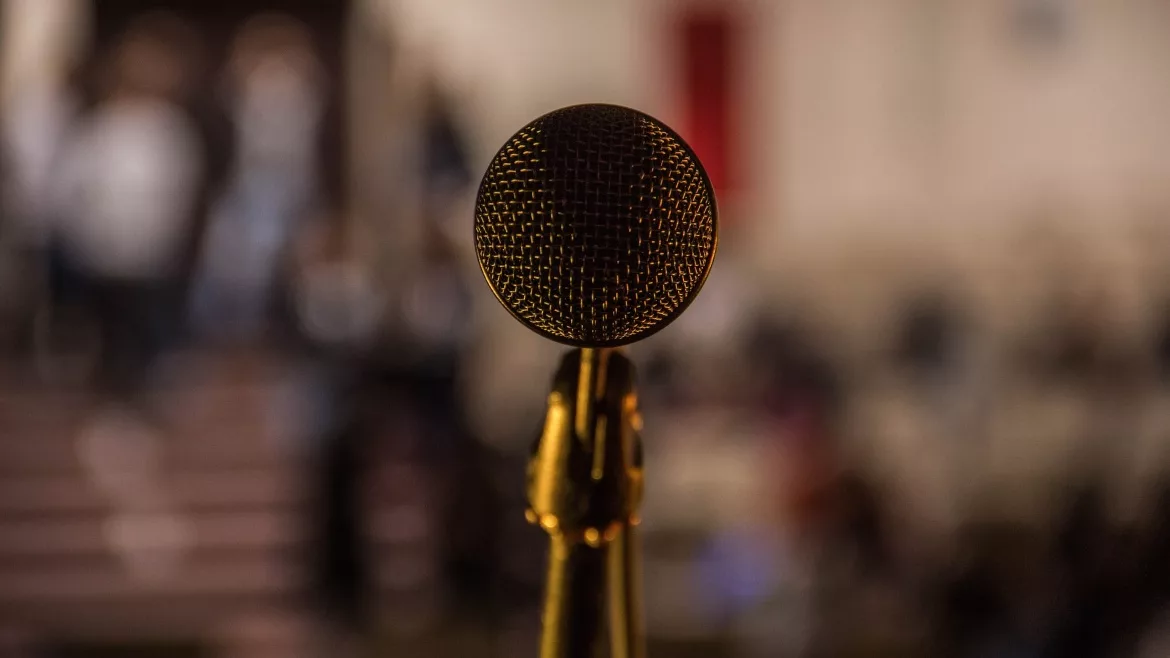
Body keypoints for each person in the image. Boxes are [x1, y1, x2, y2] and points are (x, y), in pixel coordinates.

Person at [51, 14, 204, 404]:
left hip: (154, 252)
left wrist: (165, 234)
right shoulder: (97, 128)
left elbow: (182, 189)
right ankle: (111, 395)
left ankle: (152, 393)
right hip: (103, 252)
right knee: (110, 331)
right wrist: (88, 233)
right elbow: (70, 188)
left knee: (150, 330)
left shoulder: (170, 128)